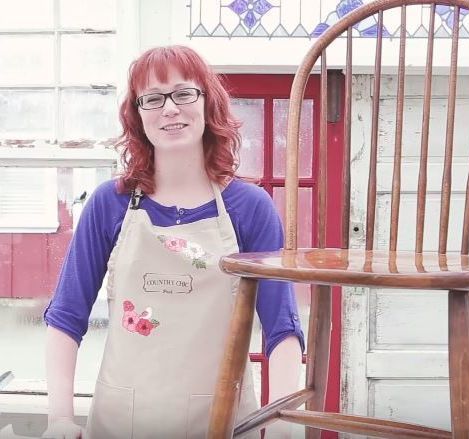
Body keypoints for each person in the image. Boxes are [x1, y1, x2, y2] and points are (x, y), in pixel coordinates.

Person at [42, 45, 304, 439]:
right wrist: (59, 419)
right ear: (137, 114)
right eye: (153, 98)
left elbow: (281, 328)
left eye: (183, 93)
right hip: (121, 423)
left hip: (224, 424)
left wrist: (282, 428)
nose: (170, 109)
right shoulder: (107, 204)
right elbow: (65, 317)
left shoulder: (250, 208)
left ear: (208, 102)